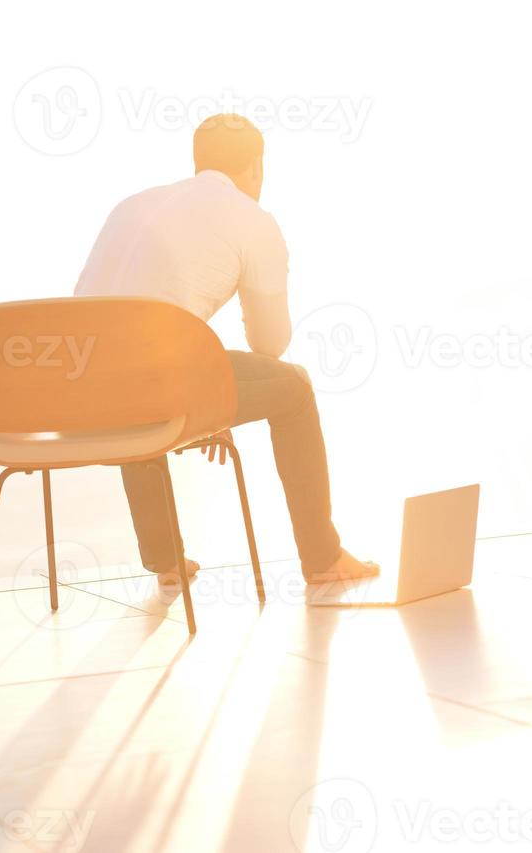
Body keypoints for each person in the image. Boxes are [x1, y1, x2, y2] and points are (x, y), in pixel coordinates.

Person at [75, 114, 379, 585]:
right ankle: (324, 557)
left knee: (134, 360)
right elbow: (269, 344)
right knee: (295, 388)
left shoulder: (130, 205)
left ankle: (166, 561)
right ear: (257, 165)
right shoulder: (252, 220)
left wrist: (209, 388)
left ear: (198, 161)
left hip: (78, 389)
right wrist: (211, 398)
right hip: (155, 386)